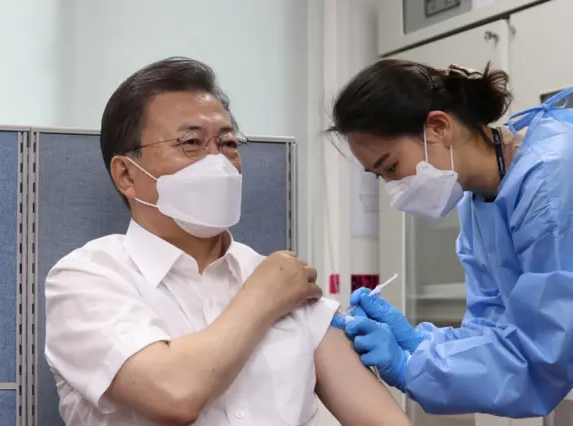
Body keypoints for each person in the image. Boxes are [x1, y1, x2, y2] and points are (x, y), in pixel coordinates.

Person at [44, 57, 413, 426]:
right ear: (126, 174)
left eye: (228, 142)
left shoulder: (286, 280)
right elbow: (172, 393)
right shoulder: (86, 279)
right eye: (191, 142)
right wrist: (263, 297)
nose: (217, 161)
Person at [328, 59, 573, 426]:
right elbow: (492, 330)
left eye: (392, 167)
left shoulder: (557, 181)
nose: (394, 191)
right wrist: (417, 343)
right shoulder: (482, 203)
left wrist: (411, 367)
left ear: (439, 127)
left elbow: (540, 359)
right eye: (380, 177)